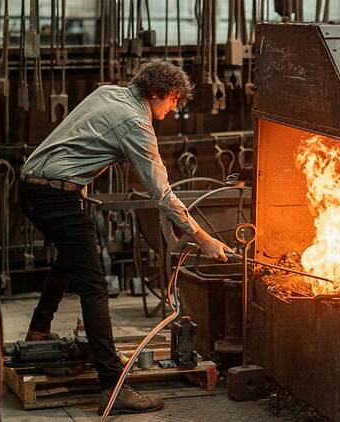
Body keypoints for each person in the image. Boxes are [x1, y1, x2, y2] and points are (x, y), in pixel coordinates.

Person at [18, 60, 232, 414]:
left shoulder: (110, 92)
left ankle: (39, 331)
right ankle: (112, 387)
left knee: (72, 258)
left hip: (33, 185)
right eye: (172, 102)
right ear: (160, 93)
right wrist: (200, 236)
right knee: (94, 285)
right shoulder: (135, 123)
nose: (170, 112)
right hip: (53, 194)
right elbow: (160, 192)